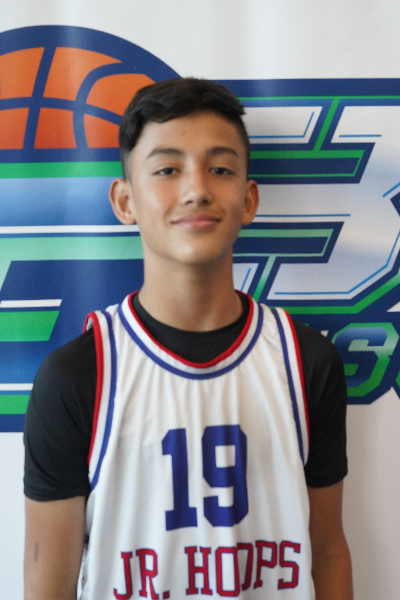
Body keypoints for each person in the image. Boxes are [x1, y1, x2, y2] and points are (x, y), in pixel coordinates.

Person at [24, 78, 352, 600]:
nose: (197, 189)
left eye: (220, 169)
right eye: (167, 170)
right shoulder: (79, 375)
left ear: (248, 199)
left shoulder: (305, 361)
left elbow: (328, 552)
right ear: (125, 201)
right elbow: (49, 583)